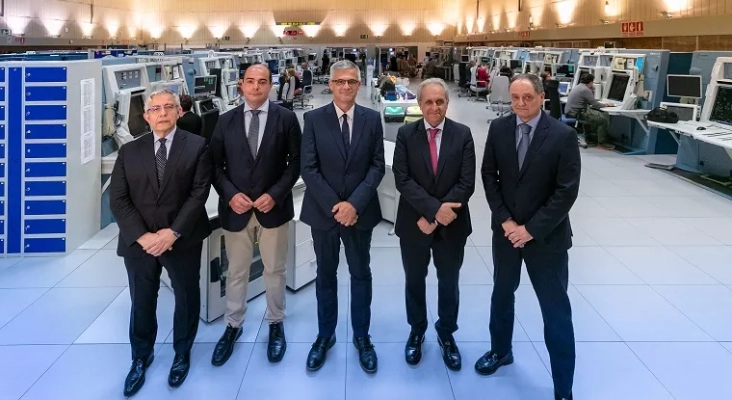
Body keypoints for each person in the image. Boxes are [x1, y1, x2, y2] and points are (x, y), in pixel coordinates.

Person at [479, 73, 581, 400]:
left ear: (541, 97)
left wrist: (531, 230)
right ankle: (500, 350)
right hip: (507, 234)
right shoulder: (499, 129)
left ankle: (563, 387)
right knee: (502, 294)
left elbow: (566, 192)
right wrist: (507, 221)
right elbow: (489, 176)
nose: (520, 104)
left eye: (527, 97)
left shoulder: (562, 135)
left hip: (546, 239)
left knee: (555, 311)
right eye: (514, 98)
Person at [110, 89, 212, 396]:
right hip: (139, 242)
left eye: (170, 107)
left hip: (181, 238)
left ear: (180, 112)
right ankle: (141, 356)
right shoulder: (129, 151)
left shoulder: (197, 147)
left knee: (185, 295)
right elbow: (118, 199)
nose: (163, 113)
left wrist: (172, 233)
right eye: (156, 109)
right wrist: (143, 236)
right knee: (142, 299)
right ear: (146, 116)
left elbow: (198, 194)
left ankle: (182, 351)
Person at [209, 64, 302, 367]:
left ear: (271, 85)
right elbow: (215, 166)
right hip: (236, 210)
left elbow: (295, 164)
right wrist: (230, 194)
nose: (256, 87)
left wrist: (274, 195)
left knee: (274, 270)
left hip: (272, 210)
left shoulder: (286, 119)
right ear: (241, 85)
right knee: (236, 272)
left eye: (262, 82)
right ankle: (232, 326)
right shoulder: (225, 121)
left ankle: (275, 323)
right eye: (250, 81)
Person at [300, 59, 385, 374]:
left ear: (359, 85)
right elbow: (308, 167)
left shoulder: (372, 119)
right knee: (326, 275)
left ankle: (362, 337)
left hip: (360, 214)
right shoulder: (313, 119)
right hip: (324, 213)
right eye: (340, 81)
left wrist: (354, 205)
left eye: (351, 81)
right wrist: (337, 205)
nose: (346, 87)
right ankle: (325, 335)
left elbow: (377, 166)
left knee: (361, 274)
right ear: (331, 84)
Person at [392, 78, 475, 370]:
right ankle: (417, 329)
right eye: (428, 101)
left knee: (449, 282)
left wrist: (438, 217)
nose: (434, 107)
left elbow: (466, 183)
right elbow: (402, 180)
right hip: (414, 223)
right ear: (420, 104)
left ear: (447, 103)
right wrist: (431, 213)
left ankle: (446, 333)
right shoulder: (405, 134)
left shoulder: (463, 134)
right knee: (414, 280)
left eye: (440, 101)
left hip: (452, 225)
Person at [565, 72, 615, 149]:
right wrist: (607, 104)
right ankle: (602, 143)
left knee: (589, 116)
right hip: (577, 114)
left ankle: (588, 138)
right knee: (602, 121)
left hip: (570, 112)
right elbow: (596, 105)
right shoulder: (585, 90)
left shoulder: (578, 87)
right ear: (591, 82)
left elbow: (588, 101)